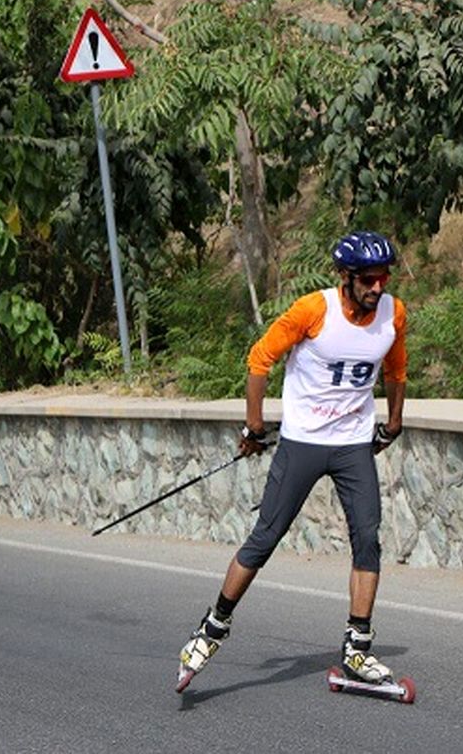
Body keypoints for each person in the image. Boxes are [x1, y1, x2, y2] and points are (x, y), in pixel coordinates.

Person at [176, 230, 408, 692]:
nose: (377, 287)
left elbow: (396, 371)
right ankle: (211, 630)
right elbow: (259, 360)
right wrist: (253, 426)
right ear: (345, 277)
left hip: (353, 444)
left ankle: (357, 649)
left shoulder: (393, 313)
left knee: (368, 537)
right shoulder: (312, 310)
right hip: (302, 441)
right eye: (367, 279)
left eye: (382, 277)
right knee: (266, 537)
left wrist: (394, 422)